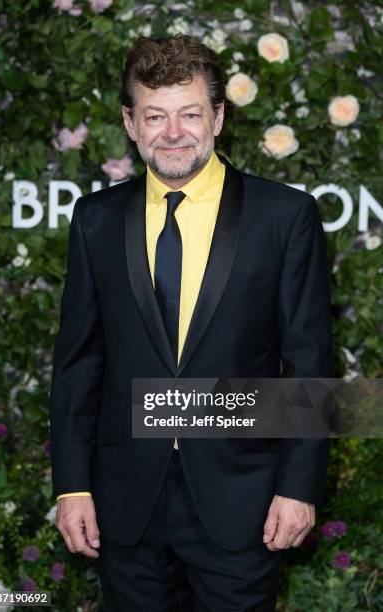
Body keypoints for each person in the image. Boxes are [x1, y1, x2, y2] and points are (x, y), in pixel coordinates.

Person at [49, 33, 334, 611]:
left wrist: (298, 487)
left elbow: (309, 361)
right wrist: (72, 484)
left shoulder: (285, 216)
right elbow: (78, 363)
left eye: (190, 114)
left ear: (218, 117)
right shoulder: (96, 220)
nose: (173, 133)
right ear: (131, 123)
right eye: (155, 115)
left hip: (244, 503)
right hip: (125, 504)